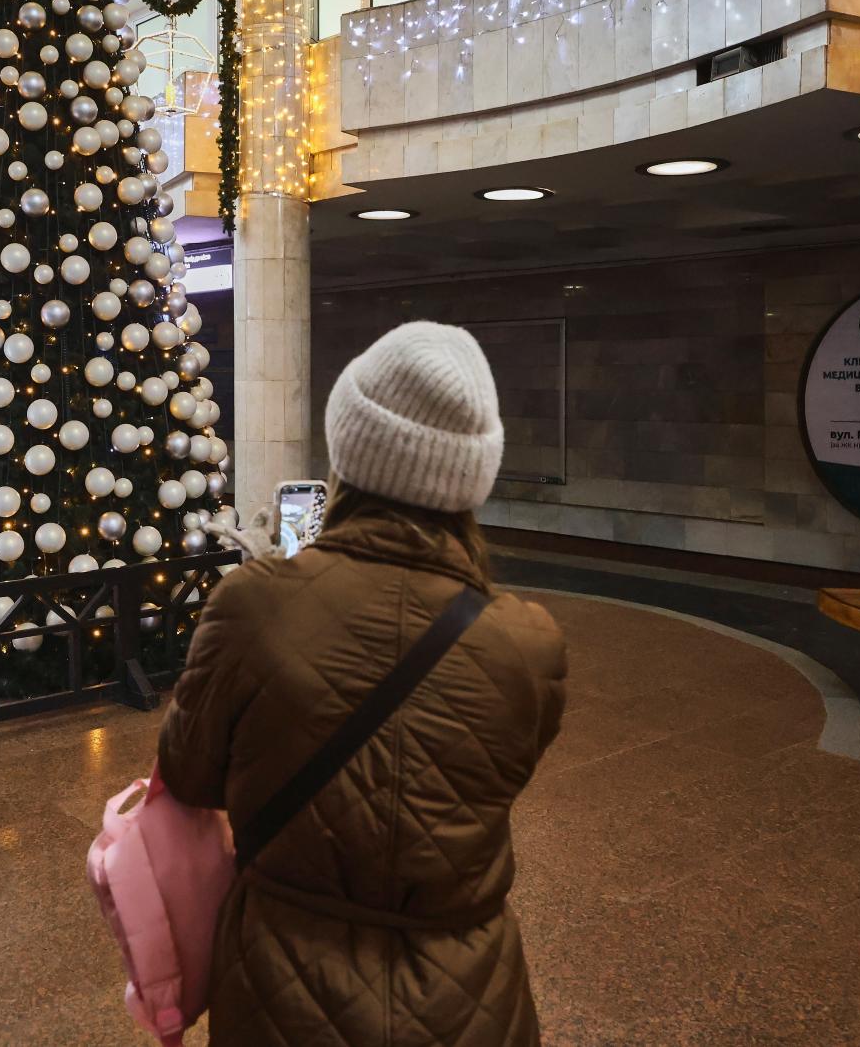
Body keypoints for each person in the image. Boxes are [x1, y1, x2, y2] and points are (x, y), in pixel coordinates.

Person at [159, 321, 567, 1046]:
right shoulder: (528, 644)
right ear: (473, 474)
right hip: (469, 995)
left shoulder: (253, 605)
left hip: (281, 983)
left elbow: (189, 775)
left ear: (347, 451)